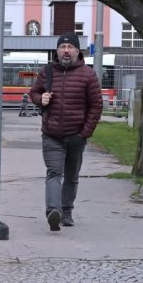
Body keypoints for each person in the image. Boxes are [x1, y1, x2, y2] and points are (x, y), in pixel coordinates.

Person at [28, 33, 102, 232]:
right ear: (57, 50)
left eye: (70, 47)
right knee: (54, 173)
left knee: (71, 176)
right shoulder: (48, 72)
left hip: (76, 136)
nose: (66, 50)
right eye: (63, 47)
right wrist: (40, 98)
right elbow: (33, 92)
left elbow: (96, 106)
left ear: (78, 51)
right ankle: (54, 211)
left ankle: (66, 211)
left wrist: (84, 133)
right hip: (52, 134)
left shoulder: (88, 74)